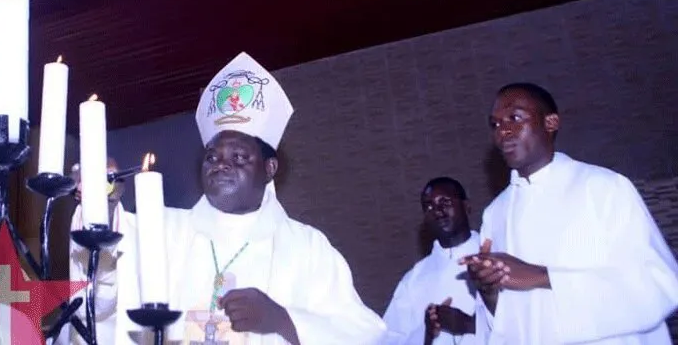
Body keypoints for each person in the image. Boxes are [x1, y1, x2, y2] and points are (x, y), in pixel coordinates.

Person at [97, 51, 386, 344]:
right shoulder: (161, 229)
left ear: (269, 168)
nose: (221, 164)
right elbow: (101, 291)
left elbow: (365, 332)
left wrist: (282, 319)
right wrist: (103, 203)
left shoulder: (307, 248)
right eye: (212, 156)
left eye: (239, 156)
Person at [460, 82, 678, 344]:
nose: (502, 131)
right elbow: (509, 325)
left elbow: (655, 284)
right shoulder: (495, 214)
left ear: (551, 122)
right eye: (494, 124)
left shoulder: (603, 187)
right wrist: (489, 291)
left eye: (515, 118)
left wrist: (541, 276)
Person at [383, 177, 479, 345]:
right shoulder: (413, 280)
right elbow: (391, 339)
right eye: (429, 206)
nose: (438, 211)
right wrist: (426, 334)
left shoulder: (495, 256)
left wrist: (470, 325)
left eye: (445, 202)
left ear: (466, 206)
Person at [56, 158, 137, 344]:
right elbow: (89, 304)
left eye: (110, 177)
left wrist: (108, 209)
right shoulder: (78, 226)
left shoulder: (143, 231)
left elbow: (105, 299)